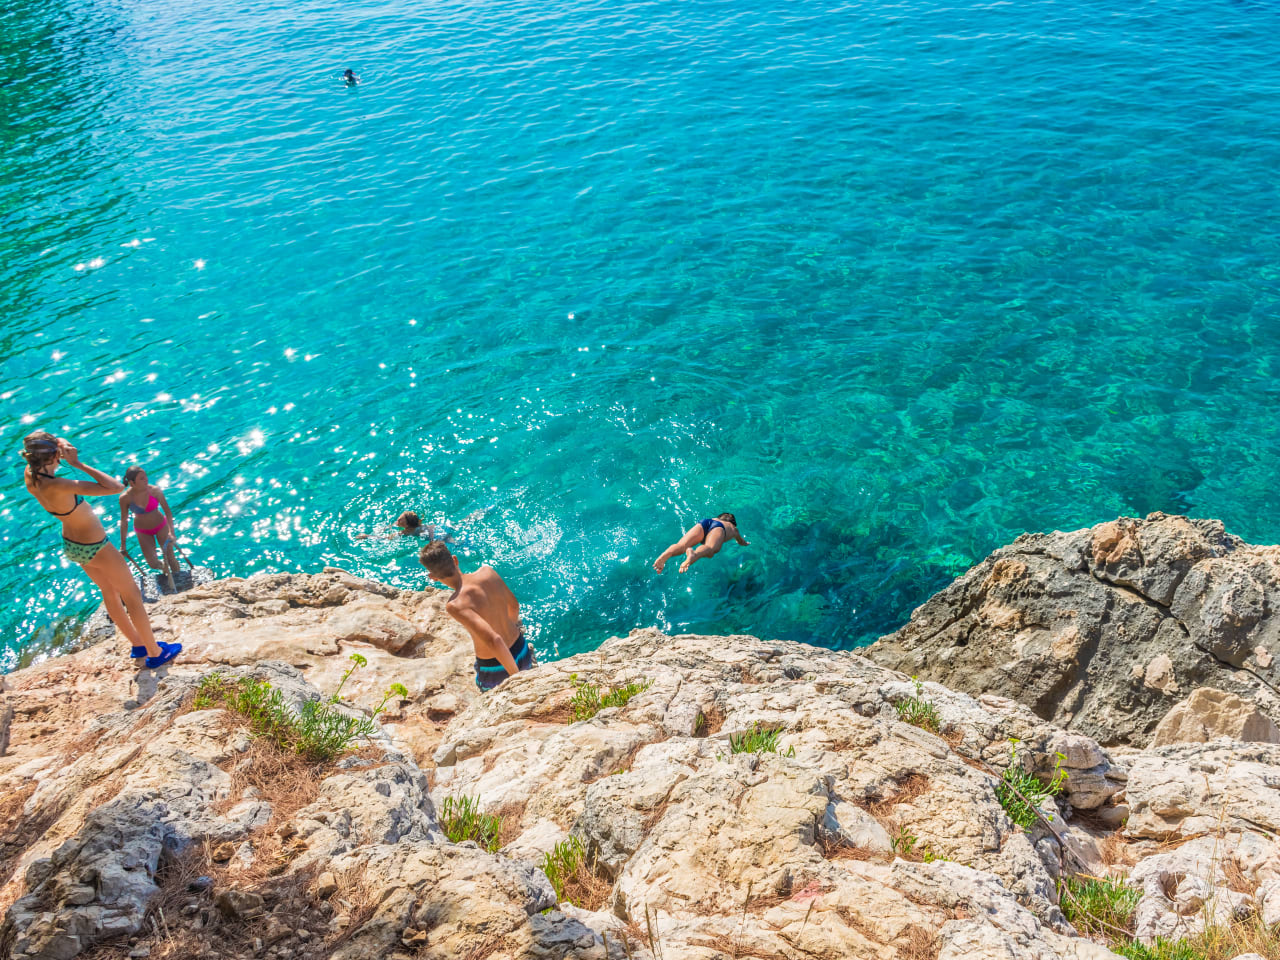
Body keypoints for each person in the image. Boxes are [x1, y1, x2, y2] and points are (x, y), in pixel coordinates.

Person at [22, 432, 181, 668]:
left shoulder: (32, 477)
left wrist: (56, 449)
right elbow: (115, 487)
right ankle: (155, 652)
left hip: (73, 545)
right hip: (96, 547)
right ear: (56, 454)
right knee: (132, 597)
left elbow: (43, 454)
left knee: (108, 591)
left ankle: (138, 644)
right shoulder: (60, 485)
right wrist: (76, 463)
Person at [419, 541, 534, 691]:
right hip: (521, 649)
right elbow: (514, 606)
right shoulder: (488, 571)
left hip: (496, 667)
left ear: (432, 576)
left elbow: (495, 640)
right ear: (455, 559)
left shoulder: (455, 605)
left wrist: (516, 678)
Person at [119, 465, 181, 591]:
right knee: (152, 563)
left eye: (146, 476)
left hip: (160, 526)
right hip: (143, 531)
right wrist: (123, 545)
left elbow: (168, 512)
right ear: (132, 483)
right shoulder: (125, 498)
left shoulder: (155, 491)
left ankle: (179, 580)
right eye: (142, 478)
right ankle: (164, 569)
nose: (146, 479)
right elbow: (124, 521)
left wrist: (171, 533)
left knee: (171, 557)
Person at [653, 512, 749, 574]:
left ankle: (666, 554)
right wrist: (746, 543)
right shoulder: (732, 528)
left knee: (681, 545)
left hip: (705, 522)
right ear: (733, 522)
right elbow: (741, 542)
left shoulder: (714, 518)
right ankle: (694, 554)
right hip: (718, 529)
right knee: (710, 549)